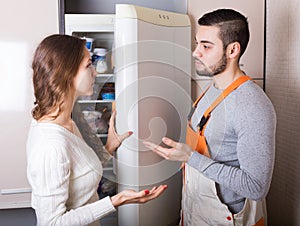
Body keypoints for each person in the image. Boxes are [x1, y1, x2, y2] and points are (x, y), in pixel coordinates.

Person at [144, 8, 276, 226]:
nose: (196, 52)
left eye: (206, 46)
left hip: (227, 218)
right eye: (197, 44)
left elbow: (256, 187)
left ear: (232, 50)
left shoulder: (252, 105)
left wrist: (190, 157)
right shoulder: (214, 89)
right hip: (196, 209)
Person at [26, 34, 167, 226]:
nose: (95, 73)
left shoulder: (68, 121)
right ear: (66, 72)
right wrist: (116, 201)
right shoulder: (51, 145)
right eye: (88, 65)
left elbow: (79, 174)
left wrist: (109, 147)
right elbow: (52, 223)